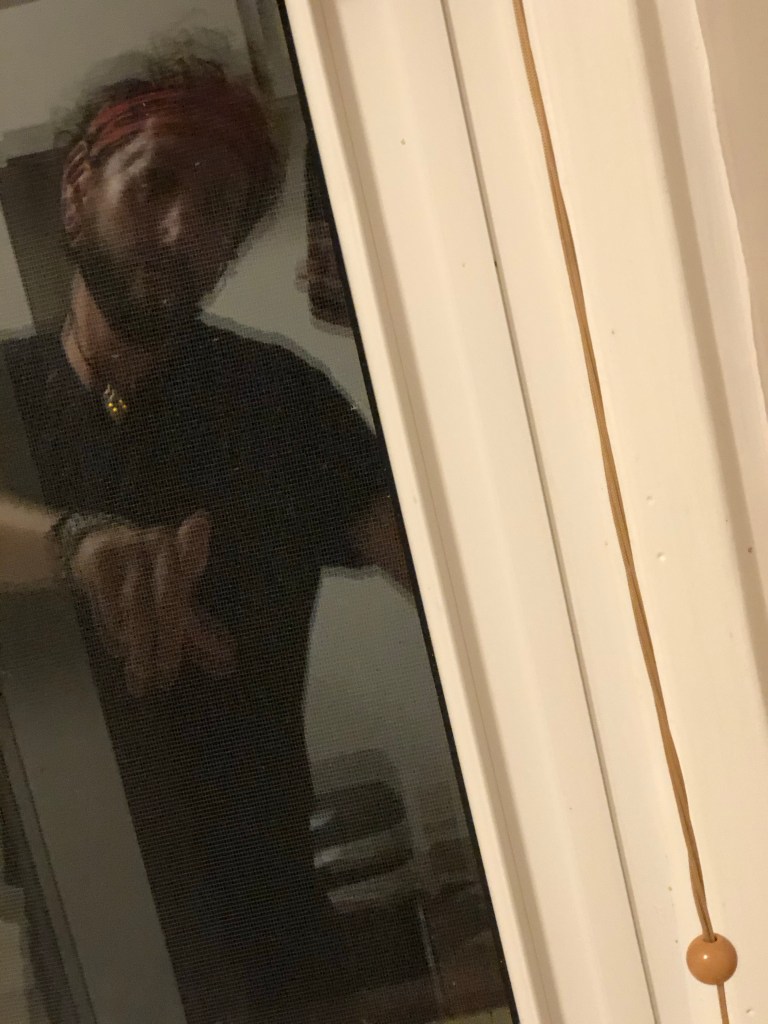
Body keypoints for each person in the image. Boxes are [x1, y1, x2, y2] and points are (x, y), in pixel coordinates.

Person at [0, 49, 411, 1023]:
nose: (183, 228)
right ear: (78, 192)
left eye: (219, 206)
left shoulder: (280, 404)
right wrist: (77, 545)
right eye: (153, 185)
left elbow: (460, 578)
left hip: (274, 928)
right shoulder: (6, 395)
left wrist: (408, 340)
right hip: (72, 927)